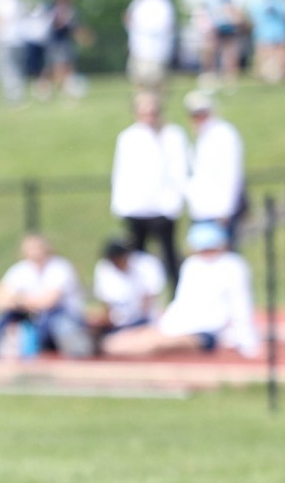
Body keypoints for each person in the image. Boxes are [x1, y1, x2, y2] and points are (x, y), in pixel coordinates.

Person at [105, 223, 259, 358]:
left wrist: (247, 342)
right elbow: (182, 302)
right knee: (118, 341)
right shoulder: (192, 265)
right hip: (176, 326)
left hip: (206, 332)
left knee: (146, 346)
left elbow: (241, 305)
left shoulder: (233, 266)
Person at [110, 91, 190, 286]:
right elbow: (121, 173)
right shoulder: (128, 138)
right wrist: (121, 204)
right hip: (137, 207)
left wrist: (175, 201)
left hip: (163, 207)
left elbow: (180, 170)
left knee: (170, 256)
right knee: (137, 259)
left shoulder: (172, 135)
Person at [0, 234, 90, 358]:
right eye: (30, 248)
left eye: (37, 247)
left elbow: (49, 301)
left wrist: (18, 300)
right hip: (34, 316)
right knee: (6, 315)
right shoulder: (21, 269)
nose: (34, 252)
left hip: (61, 316)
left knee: (62, 325)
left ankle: (78, 352)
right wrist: (21, 302)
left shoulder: (59, 268)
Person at [183, 90, 245, 244]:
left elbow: (231, 174)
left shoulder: (224, 134)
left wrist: (225, 210)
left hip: (218, 212)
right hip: (201, 210)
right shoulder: (201, 138)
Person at [89, 239, 167, 340]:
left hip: (142, 323)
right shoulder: (104, 268)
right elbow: (106, 304)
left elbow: (147, 303)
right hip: (117, 325)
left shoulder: (146, 265)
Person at [124, 0, 175, 89]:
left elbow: (162, 25)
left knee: (155, 80)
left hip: (155, 49)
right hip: (138, 48)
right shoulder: (138, 2)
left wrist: (138, 25)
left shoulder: (160, 3)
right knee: (139, 79)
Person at [251, 0, 285, 84]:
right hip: (265, 32)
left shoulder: (279, 1)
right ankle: (265, 75)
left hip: (278, 32)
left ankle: (280, 75)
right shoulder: (258, 2)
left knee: (280, 54)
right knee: (265, 54)